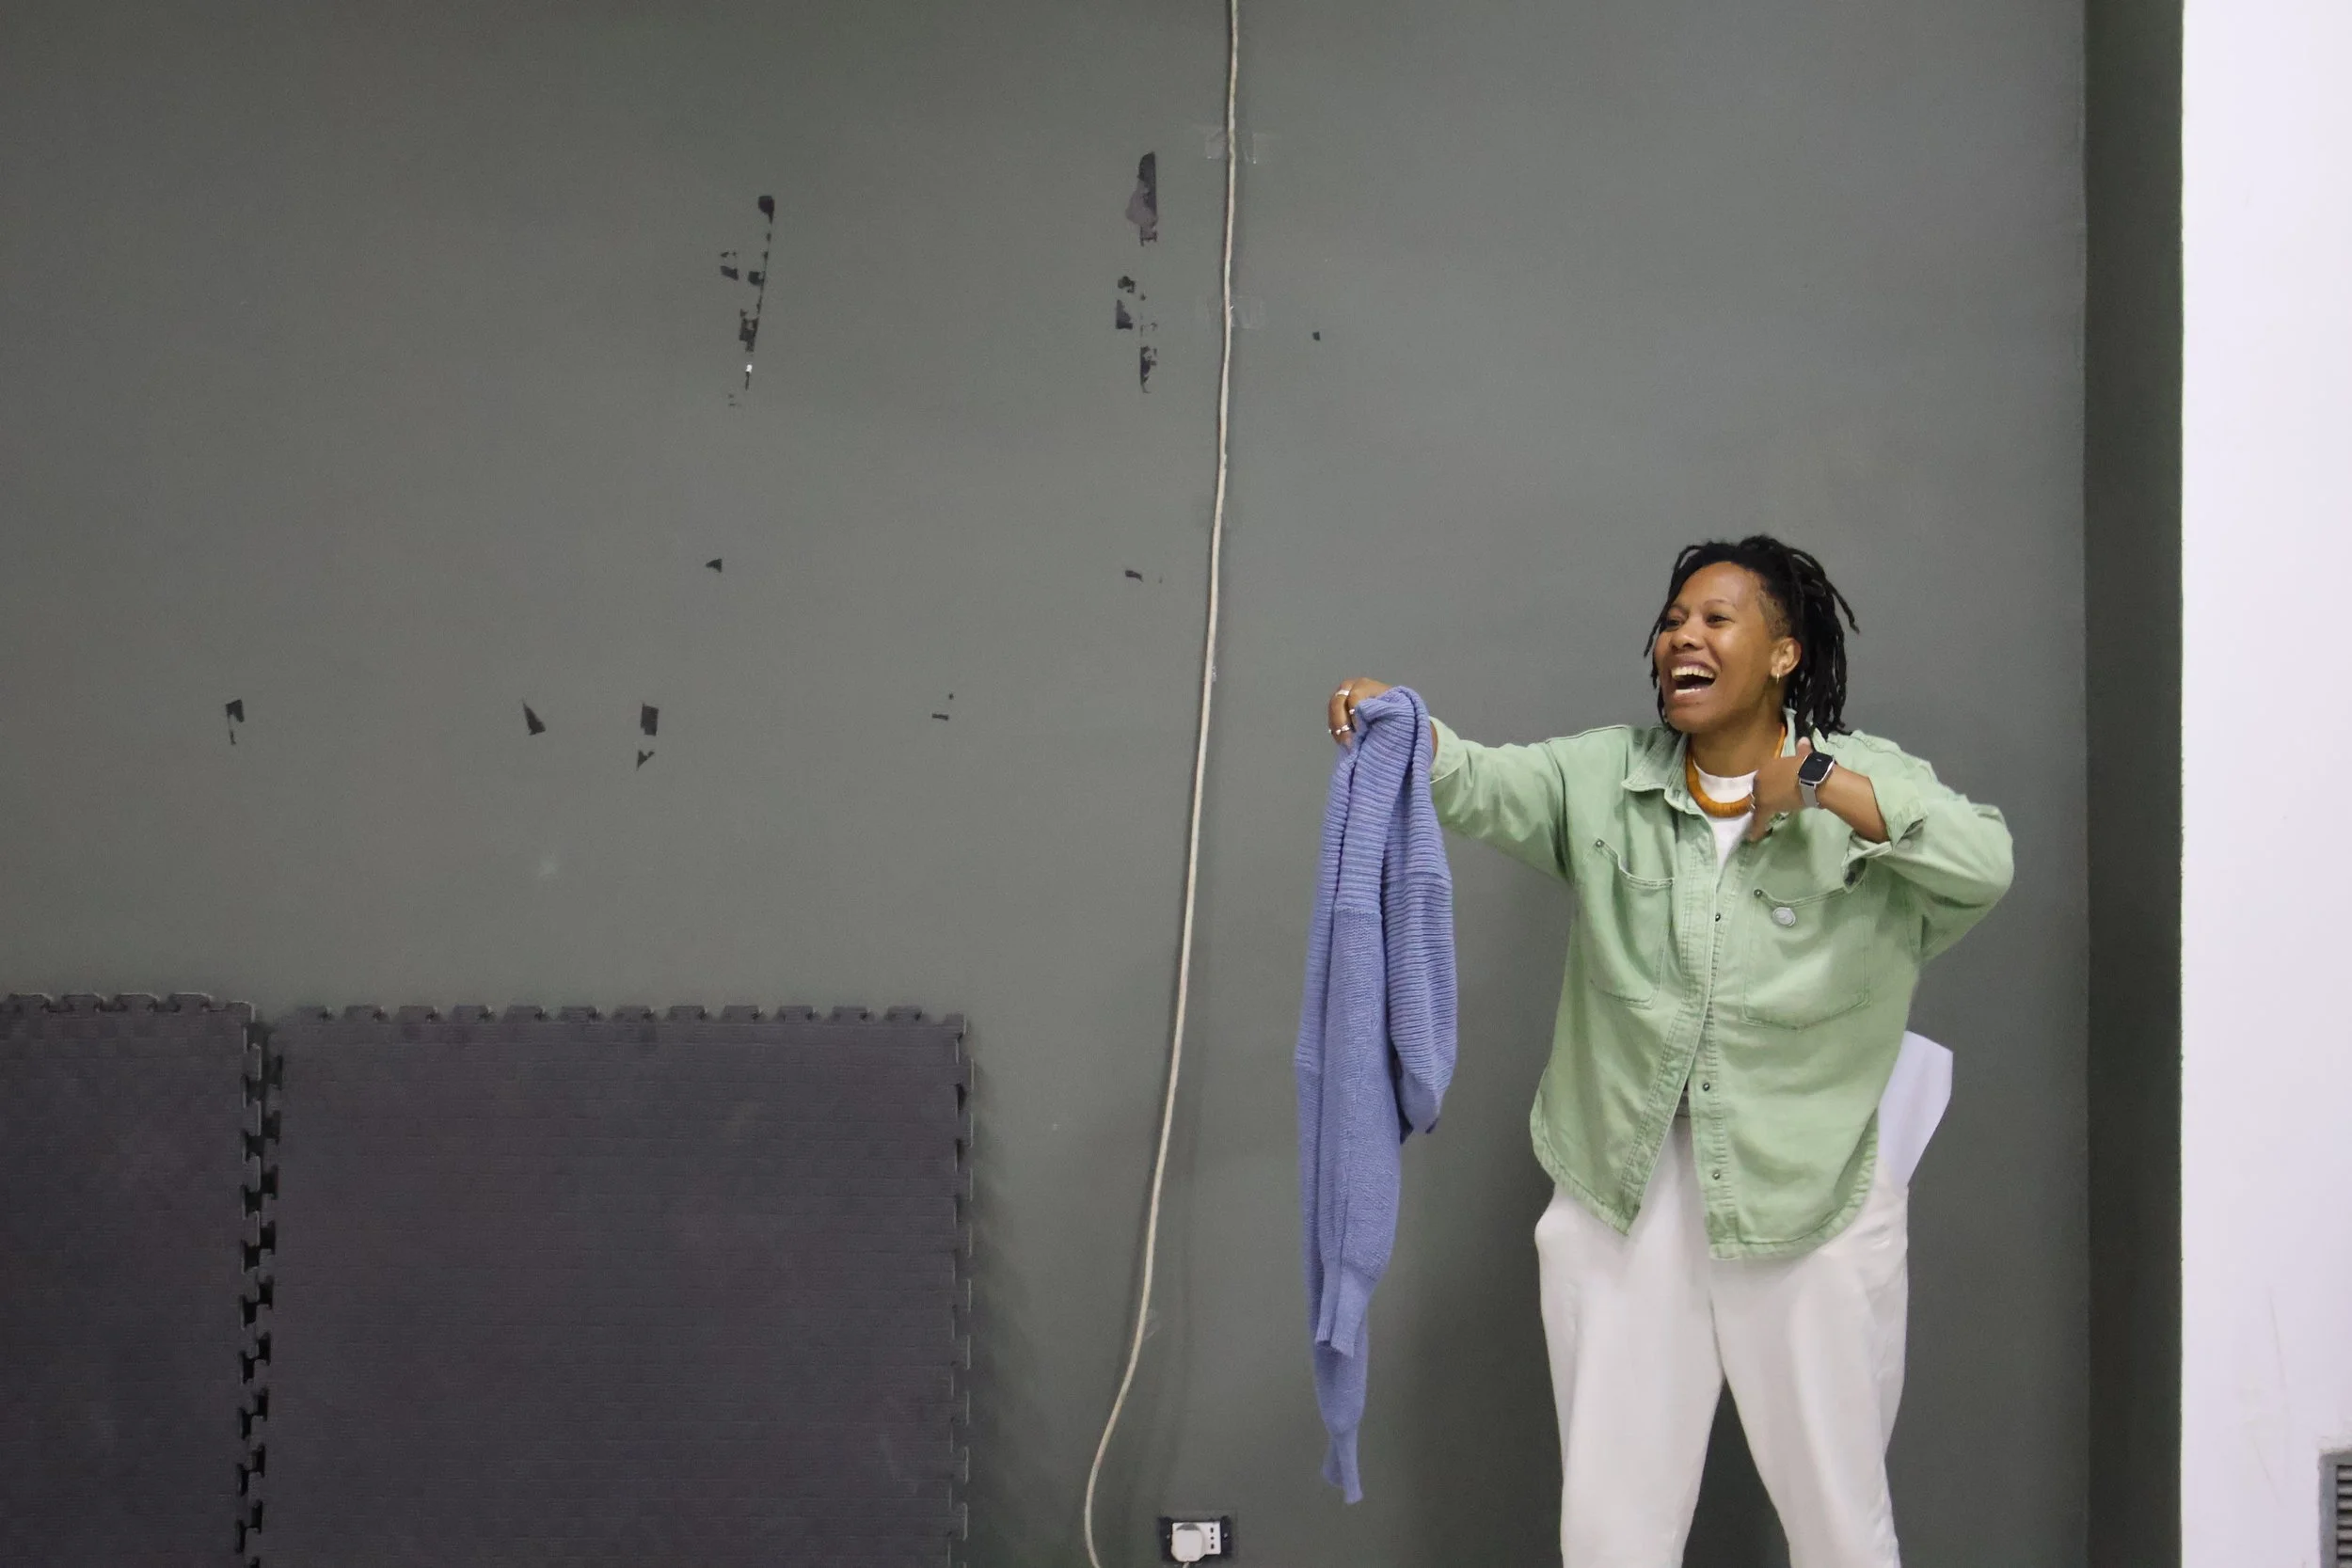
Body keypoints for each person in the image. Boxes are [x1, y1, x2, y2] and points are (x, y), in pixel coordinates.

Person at [1324, 536, 2011, 1568]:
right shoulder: (1605, 775)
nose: (1682, 636)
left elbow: (1982, 861)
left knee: (1840, 1521)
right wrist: (1402, 726)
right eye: (1673, 620)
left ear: (1783, 653)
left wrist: (1819, 782)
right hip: (1621, 1187)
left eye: (1716, 619)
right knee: (1611, 1528)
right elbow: (1475, 778)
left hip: (1812, 1189)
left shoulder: (1860, 776)